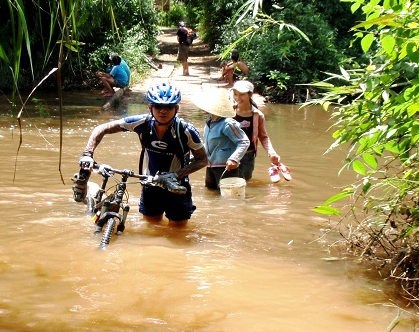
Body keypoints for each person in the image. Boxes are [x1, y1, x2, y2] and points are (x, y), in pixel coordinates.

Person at [74, 82, 208, 226]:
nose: (163, 111)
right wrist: (87, 154)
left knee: (177, 234)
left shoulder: (186, 131)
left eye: (169, 107)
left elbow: (203, 160)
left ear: (176, 109)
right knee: (151, 229)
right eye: (158, 106)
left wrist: (175, 175)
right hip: (150, 184)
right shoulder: (142, 123)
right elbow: (102, 128)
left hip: (177, 188)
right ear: (150, 107)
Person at [191, 88, 250, 190]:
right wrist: (195, 156)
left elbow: (244, 141)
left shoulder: (228, 123)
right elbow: (209, 145)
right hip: (211, 165)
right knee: (211, 192)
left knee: (228, 197)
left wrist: (234, 159)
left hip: (226, 167)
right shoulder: (209, 122)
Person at [231, 80, 289, 182]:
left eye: (241, 95)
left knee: (245, 183)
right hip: (229, 153)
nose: (237, 98)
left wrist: (272, 153)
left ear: (250, 95)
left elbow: (263, 137)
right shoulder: (229, 111)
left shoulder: (257, 115)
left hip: (248, 155)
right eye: (235, 94)